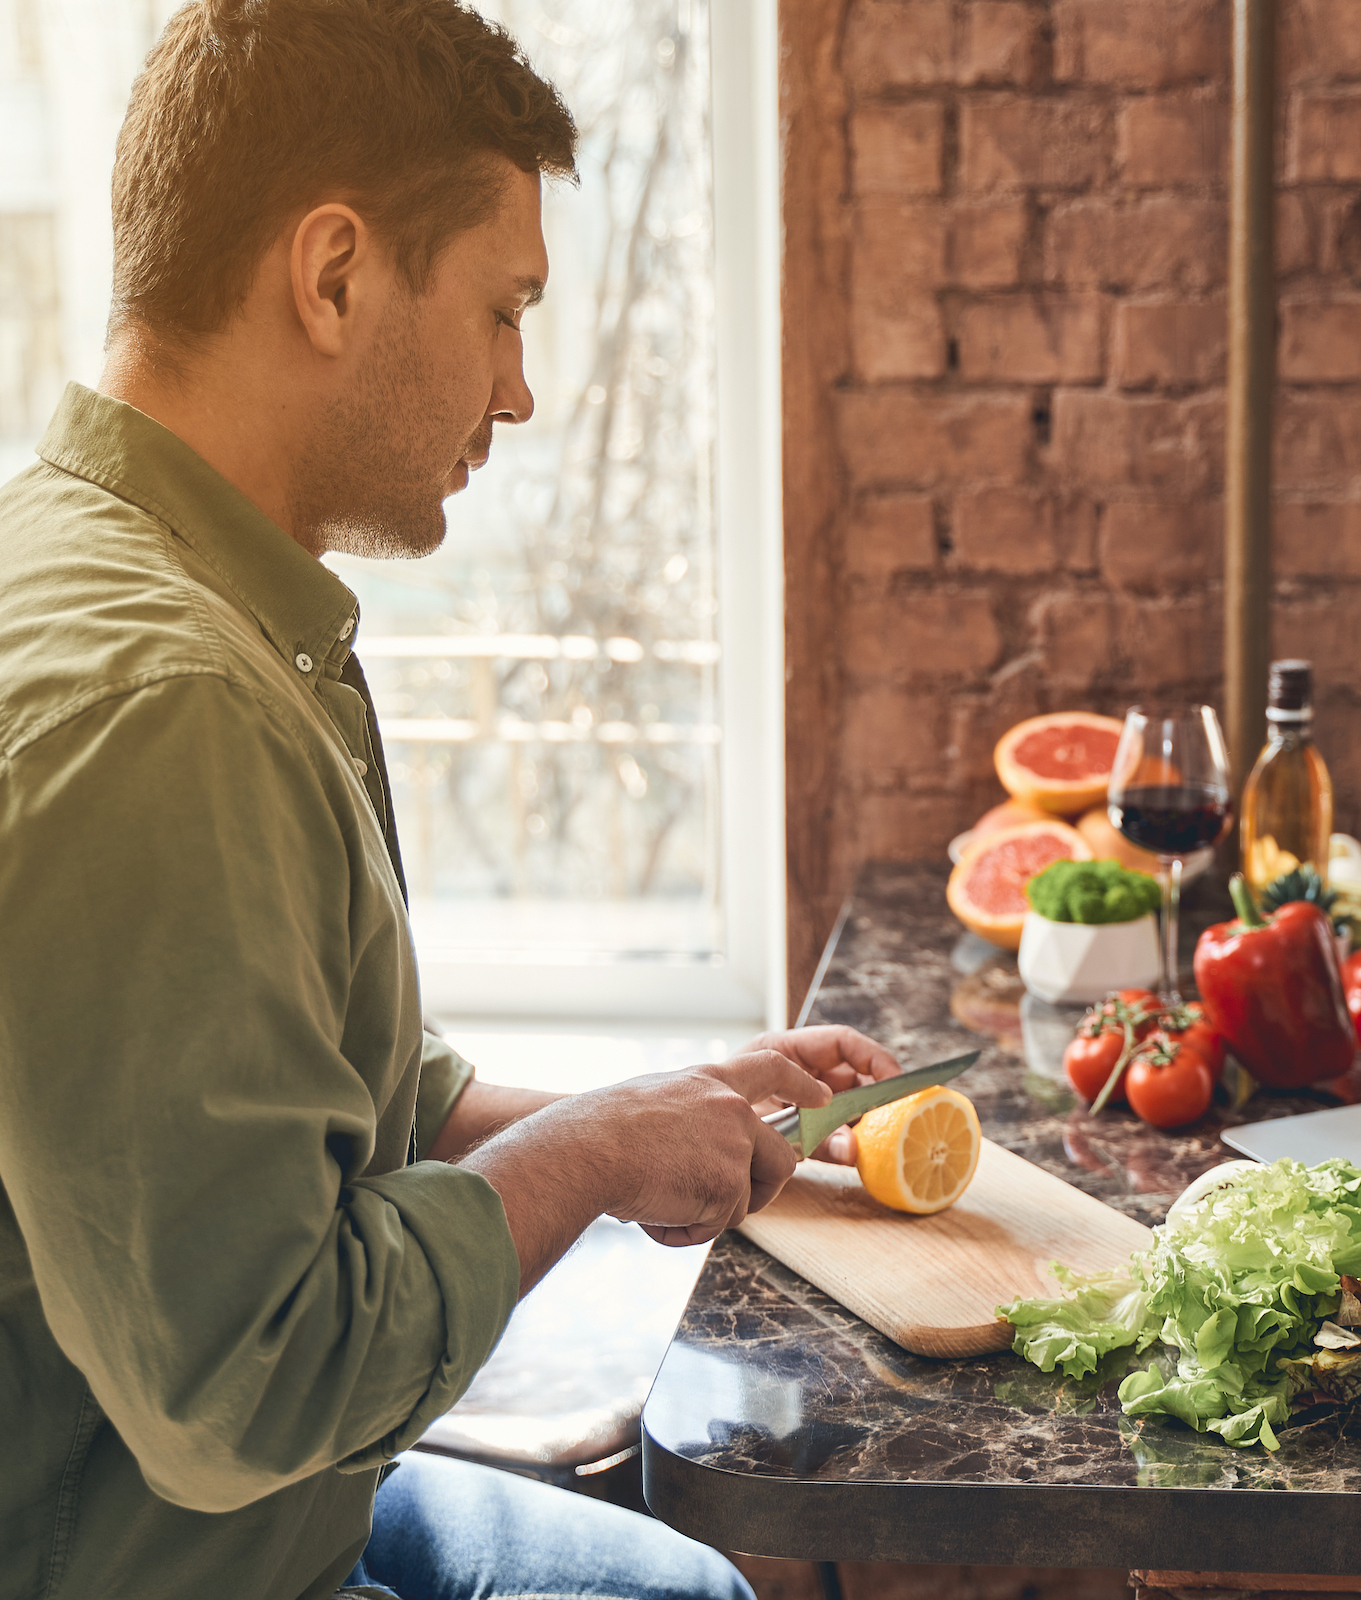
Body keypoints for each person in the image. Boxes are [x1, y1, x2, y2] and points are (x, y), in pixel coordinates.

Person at [0, 3, 901, 1597]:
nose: (523, 389)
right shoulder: (167, 709)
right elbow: (253, 1387)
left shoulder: (144, 583)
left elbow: (330, 1112)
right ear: (334, 274)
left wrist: (652, 1111)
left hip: (280, 1515)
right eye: (503, 311)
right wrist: (591, 1157)